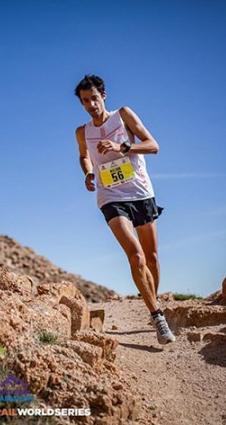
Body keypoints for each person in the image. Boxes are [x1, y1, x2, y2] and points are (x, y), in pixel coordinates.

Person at [74, 74, 175, 344]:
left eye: (94, 98)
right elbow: (84, 155)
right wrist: (87, 173)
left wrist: (123, 146)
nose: (91, 105)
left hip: (140, 192)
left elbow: (153, 146)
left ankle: (152, 300)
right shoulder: (82, 131)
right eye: (85, 101)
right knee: (136, 257)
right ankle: (157, 316)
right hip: (110, 195)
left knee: (151, 258)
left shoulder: (123, 115)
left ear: (103, 96)